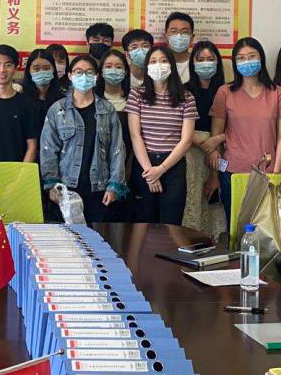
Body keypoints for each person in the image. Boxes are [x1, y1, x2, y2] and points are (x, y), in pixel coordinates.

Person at [208, 37, 281, 225]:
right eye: (241, 58)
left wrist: (276, 173)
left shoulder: (277, 93)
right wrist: (214, 175)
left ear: (261, 58)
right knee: (236, 229)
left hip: (268, 173)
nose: (247, 61)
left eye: (251, 56)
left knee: (266, 230)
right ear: (235, 63)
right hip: (233, 173)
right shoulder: (225, 92)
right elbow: (216, 138)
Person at [40, 54, 126, 223]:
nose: (84, 76)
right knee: (66, 237)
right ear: (70, 76)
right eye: (78, 72)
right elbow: (48, 149)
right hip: (65, 190)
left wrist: (114, 186)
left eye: (89, 72)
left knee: (98, 237)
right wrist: (52, 185)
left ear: (96, 76)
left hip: (99, 189)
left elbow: (117, 150)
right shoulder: (57, 110)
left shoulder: (108, 110)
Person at [126, 46, 197, 224]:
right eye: (153, 61)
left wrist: (161, 169)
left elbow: (186, 140)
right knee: (144, 224)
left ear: (172, 65)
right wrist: (150, 172)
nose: (158, 65)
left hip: (173, 166)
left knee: (171, 224)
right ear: (147, 67)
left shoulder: (186, 97)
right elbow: (135, 135)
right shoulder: (136, 94)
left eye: (164, 61)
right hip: (145, 164)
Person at [183, 40, 227, 239]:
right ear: (192, 63)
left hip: (222, 154)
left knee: (215, 207)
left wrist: (216, 142)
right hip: (191, 154)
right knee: (192, 204)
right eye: (200, 59)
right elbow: (176, 125)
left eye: (210, 59)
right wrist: (204, 144)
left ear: (218, 62)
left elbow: (238, 127)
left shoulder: (228, 91)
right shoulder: (183, 91)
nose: (205, 63)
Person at [96, 48, 133, 222]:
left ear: (125, 71)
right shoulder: (92, 98)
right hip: (96, 170)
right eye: (108, 66)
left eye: (118, 67)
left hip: (128, 166)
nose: (113, 70)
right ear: (101, 71)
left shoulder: (134, 98)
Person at [164, 12, 195, 83]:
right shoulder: (157, 64)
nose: (179, 36)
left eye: (184, 32)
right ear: (166, 36)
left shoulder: (198, 63)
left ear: (192, 37)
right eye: (173, 31)